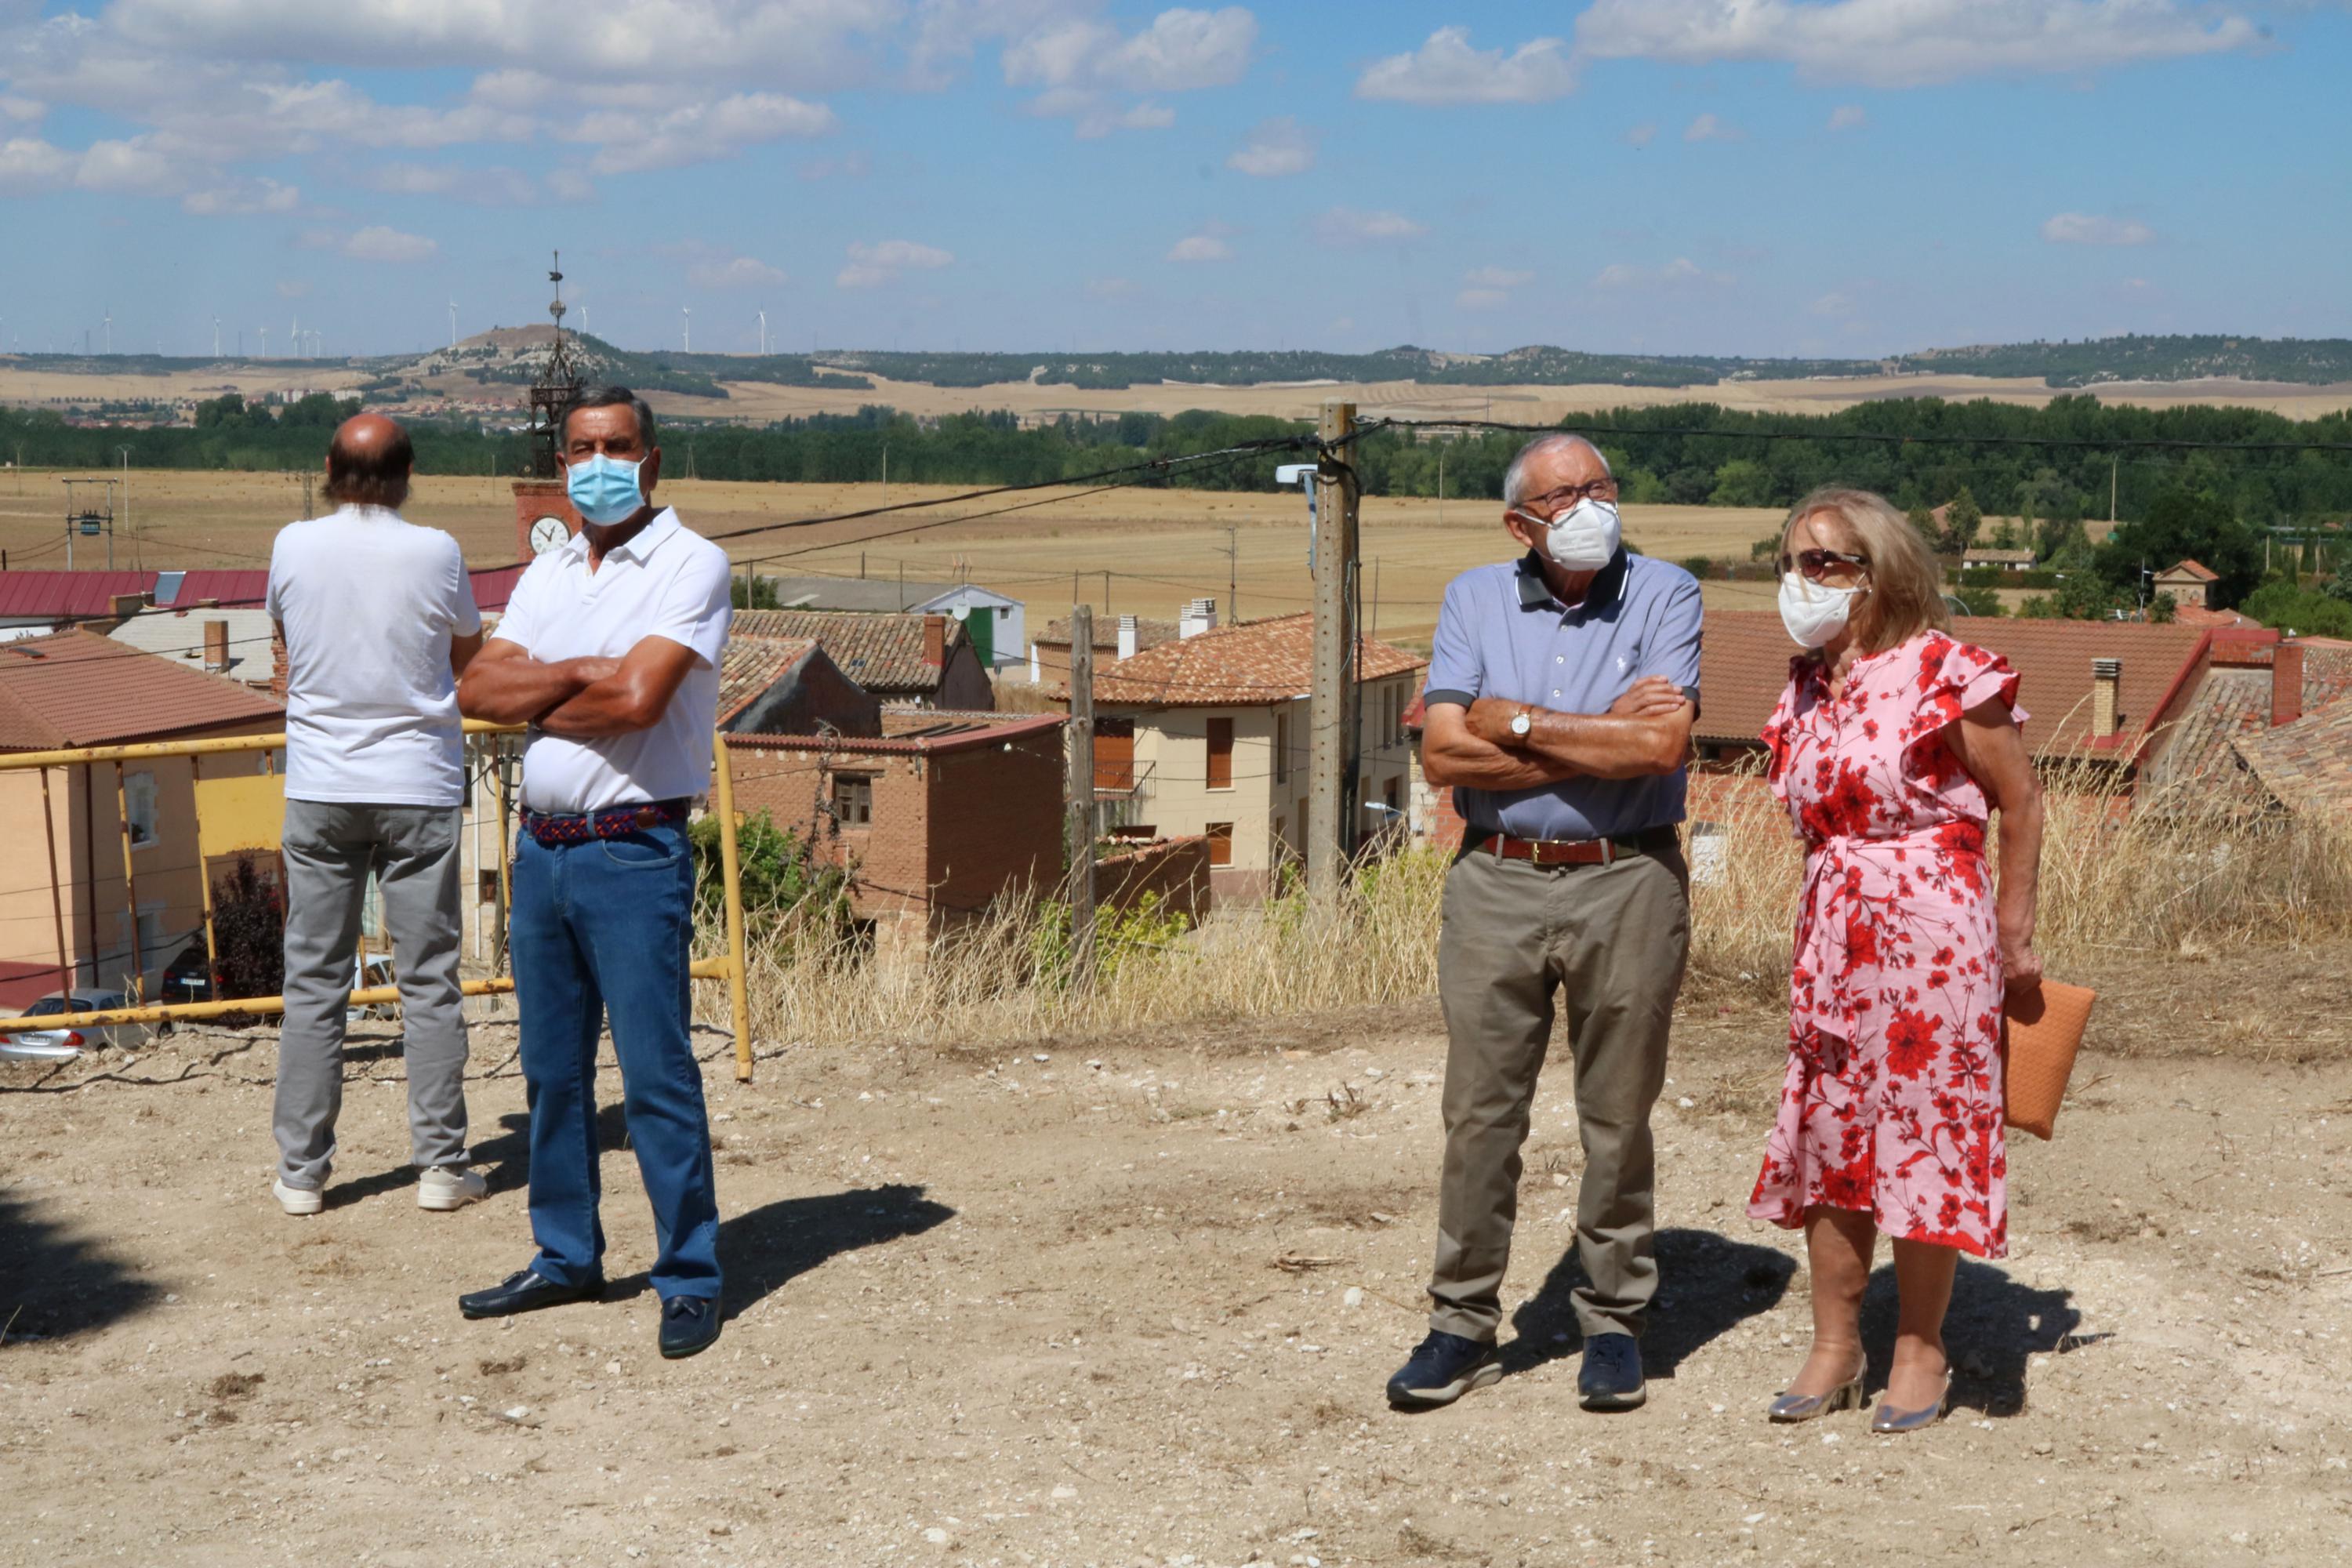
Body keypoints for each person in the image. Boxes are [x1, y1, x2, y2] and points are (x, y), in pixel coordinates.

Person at [1388, 433, 1702, 1414]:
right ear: (1519, 520)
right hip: (1497, 879)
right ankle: (1461, 1322)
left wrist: (1513, 721)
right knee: (1480, 1113)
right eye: (1564, 494)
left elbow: (1662, 742)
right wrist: (1600, 738)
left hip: (1628, 880)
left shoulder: (1666, 591)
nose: (1589, 505)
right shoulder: (1473, 596)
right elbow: (1444, 757)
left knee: (1618, 1114)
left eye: (1601, 485)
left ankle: (1614, 1321)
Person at [1748, 486, 2043, 1435]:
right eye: (1793, 561)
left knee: (1925, 1134)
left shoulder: (1947, 670)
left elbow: (2022, 801)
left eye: (1825, 562)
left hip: (1934, 938)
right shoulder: (1804, 684)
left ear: (1883, 574)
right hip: (1832, 937)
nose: (1803, 581)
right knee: (1832, 1137)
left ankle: (1920, 1344)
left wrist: (2015, 927)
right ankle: (1836, 1343)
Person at [454, 386, 732, 1360]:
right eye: (581, 447)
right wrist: (585, 675)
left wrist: (548, 684)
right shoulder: (555, 568)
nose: (599, 461)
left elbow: (641, 700)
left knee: (656, 1071)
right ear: (562, 462)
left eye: (617, 445)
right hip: (545, 848)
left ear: (653, 459)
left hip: (633, 848)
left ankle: (689, 1273)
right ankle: (565, 1253)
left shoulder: (693, 563)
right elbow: (476, 687)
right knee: (552, 1073)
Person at [267, 413, 487, 1218]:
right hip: (419, 782)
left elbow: (286, 636)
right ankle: (440, 1164)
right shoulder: (438, 549)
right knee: (429, 980)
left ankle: (301, 1173)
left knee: (313, 980)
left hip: (320, 784)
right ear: (408, 474)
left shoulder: (293, 544)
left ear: (328, 468)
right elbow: (467, 652)